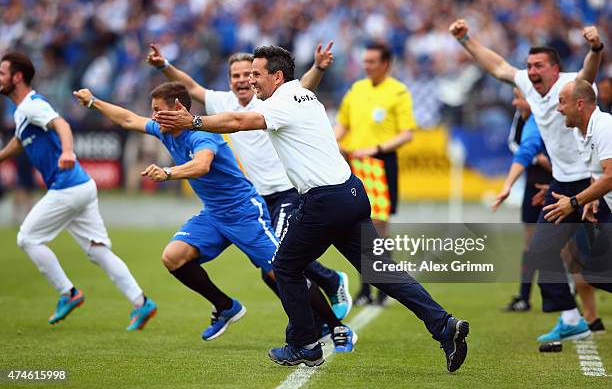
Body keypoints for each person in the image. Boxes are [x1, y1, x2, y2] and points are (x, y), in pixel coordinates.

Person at [154, 45, 469, 372]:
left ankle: (305, 344)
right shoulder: (303, 95)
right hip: (351, 192)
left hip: (324, 201)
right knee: (379, 272)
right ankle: (444, 324)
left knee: (284, 267)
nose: (251, 81)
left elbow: (237, 120)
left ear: (277, 76)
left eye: (256, 74)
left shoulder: (281, 102)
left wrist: (193, 121)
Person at [73, 82, 355, 351]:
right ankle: (225, 307)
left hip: (244, 212)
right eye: (153, 110)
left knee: (280, 271)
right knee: (173, 257)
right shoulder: (163, 130)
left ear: (177, 108)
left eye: (158, 109)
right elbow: (128, 119)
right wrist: (94, 102)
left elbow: (202, 164)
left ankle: (336, 326)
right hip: (214, 214)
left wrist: (169, 172)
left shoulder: (201, 134)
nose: (154, 116)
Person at [146, 42, 352, 320]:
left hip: (287, 192)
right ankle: (314, 318)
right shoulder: (223, 102)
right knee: (271, 271)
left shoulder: (268, 97)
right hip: (258, 195)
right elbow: (191, 87)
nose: (243, 80)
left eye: (249, 74)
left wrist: (317, 67)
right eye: (236, 76)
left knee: (282, 256)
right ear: (230, 80)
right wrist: (163, 66)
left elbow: (302, 88)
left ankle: (328, 291)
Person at [449, 18, 604, 341]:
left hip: (592, 183)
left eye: (538, 66)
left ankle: (580, 313)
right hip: (561, 182)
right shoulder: (528, 85)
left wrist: (595, 48)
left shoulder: (571, 84)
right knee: (540, 251)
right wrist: (466, 40)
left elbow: (589, 73)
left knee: (596, 266)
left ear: (555, 69)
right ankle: (571, 318)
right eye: (529, 65)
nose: (531, 71)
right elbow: (497, 66)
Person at [0, 52, 157, 330]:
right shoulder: (24, 110)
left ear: (17, 77)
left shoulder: (31, 105)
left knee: (27, 238)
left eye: (2, 73)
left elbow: (62, 124)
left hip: (68, 186)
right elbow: (20, 140)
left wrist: (69, 150)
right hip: (82, 186)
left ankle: (69, 293)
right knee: (97, 251)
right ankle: (141, 302)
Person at [334, 42, 416, 306]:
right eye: (365, 61)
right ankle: (365, 289)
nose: (366, 66)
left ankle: (383, 288)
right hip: (355, 165)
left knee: (379, 227)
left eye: (371, 62)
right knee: (357, 226)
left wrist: (376, 148)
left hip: (381, 163)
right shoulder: (357, 89)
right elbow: (343, 125)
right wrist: (332, 143)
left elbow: (406, 133)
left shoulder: (398, 92)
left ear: (386, 64)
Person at [544, 79, 612, 292]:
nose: (558, 109)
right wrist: (592, 196)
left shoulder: (605, 127)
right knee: (597, 273)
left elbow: (610, 176)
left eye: (562, 102)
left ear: (580, 104)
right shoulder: (579, 132)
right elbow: (597, 171)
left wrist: (574, 202)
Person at [492, 88, 552, 312]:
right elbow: (514, 144)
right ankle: (524, 295)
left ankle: (572, 297)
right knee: (530, 240)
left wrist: (552, 162)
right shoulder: (521, 118)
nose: (514, 102)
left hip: (559, 182)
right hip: (533, 182)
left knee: (566, 243)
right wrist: (537, 158)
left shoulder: (551, 113)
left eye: (518, 97)